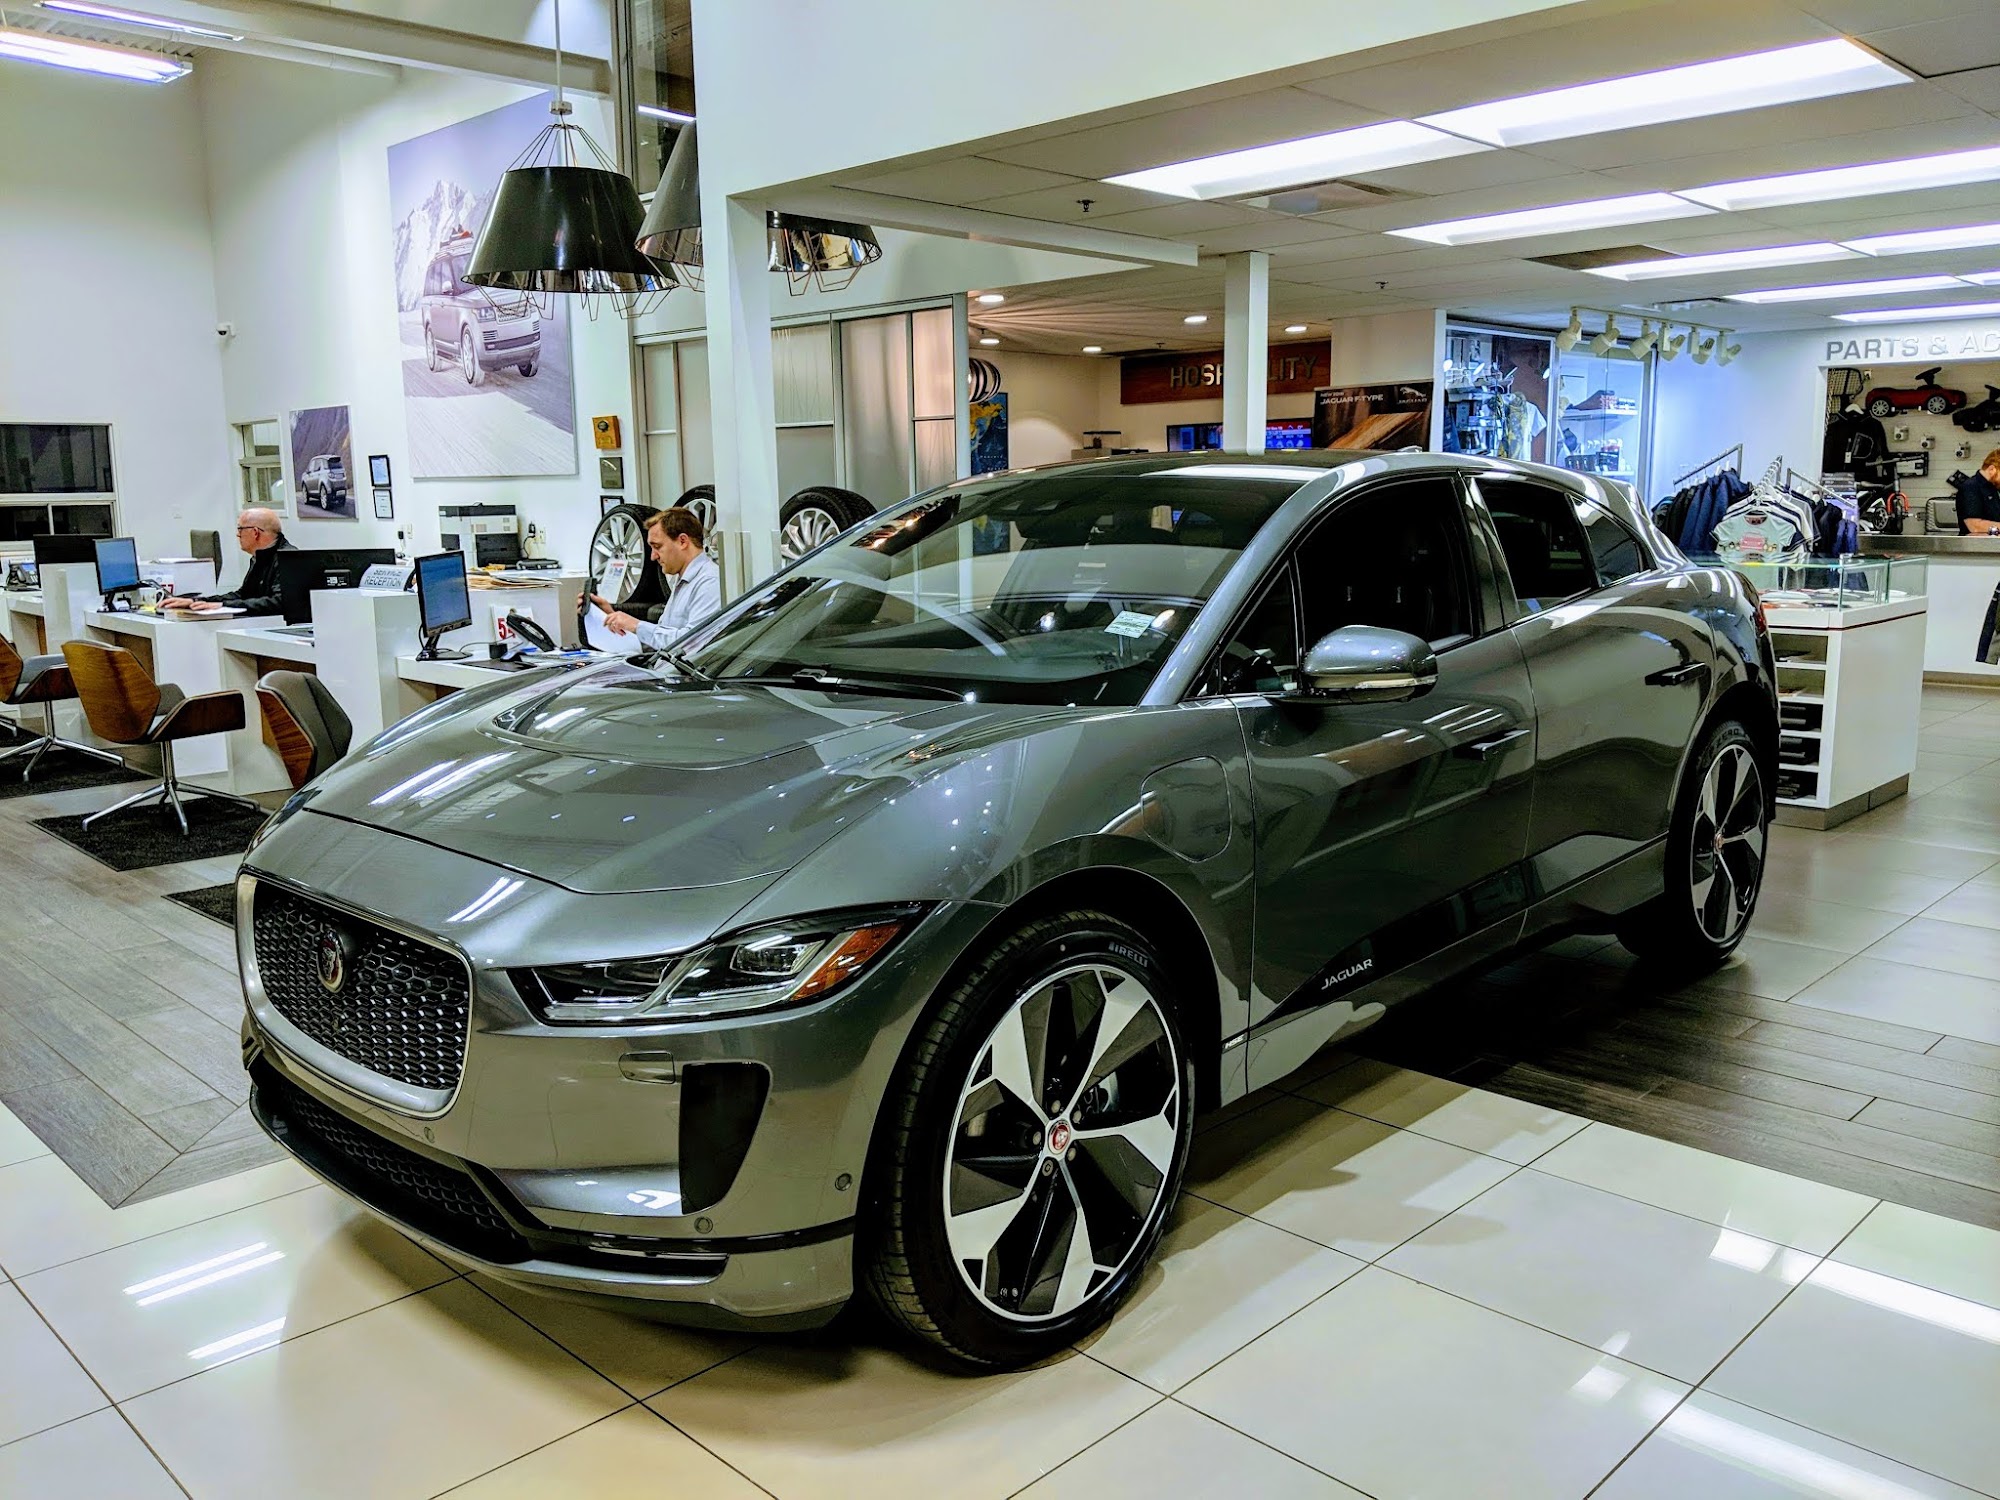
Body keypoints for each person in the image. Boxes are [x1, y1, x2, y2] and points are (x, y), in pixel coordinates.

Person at [592, 507, 721, 650]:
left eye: (657, 546)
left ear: (683, 541)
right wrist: (610, 616)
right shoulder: (683, 582)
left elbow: (691, 643)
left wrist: (637, 626)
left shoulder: (709, 582)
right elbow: (661, 642)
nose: (653, 556)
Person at [161, 507, 294, 614]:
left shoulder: (288, 558)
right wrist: (196, 601)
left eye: (240, 529)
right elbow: (244, 595)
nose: (237, 534)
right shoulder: (260, 557)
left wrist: (222, 605)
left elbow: (279, 603)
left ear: (255, 532)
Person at [1955, 449, 2000, 537]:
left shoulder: (1993, 488)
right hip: (1975, 544)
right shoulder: (1971, 487)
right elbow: (1974, 526)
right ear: (1991, 469)